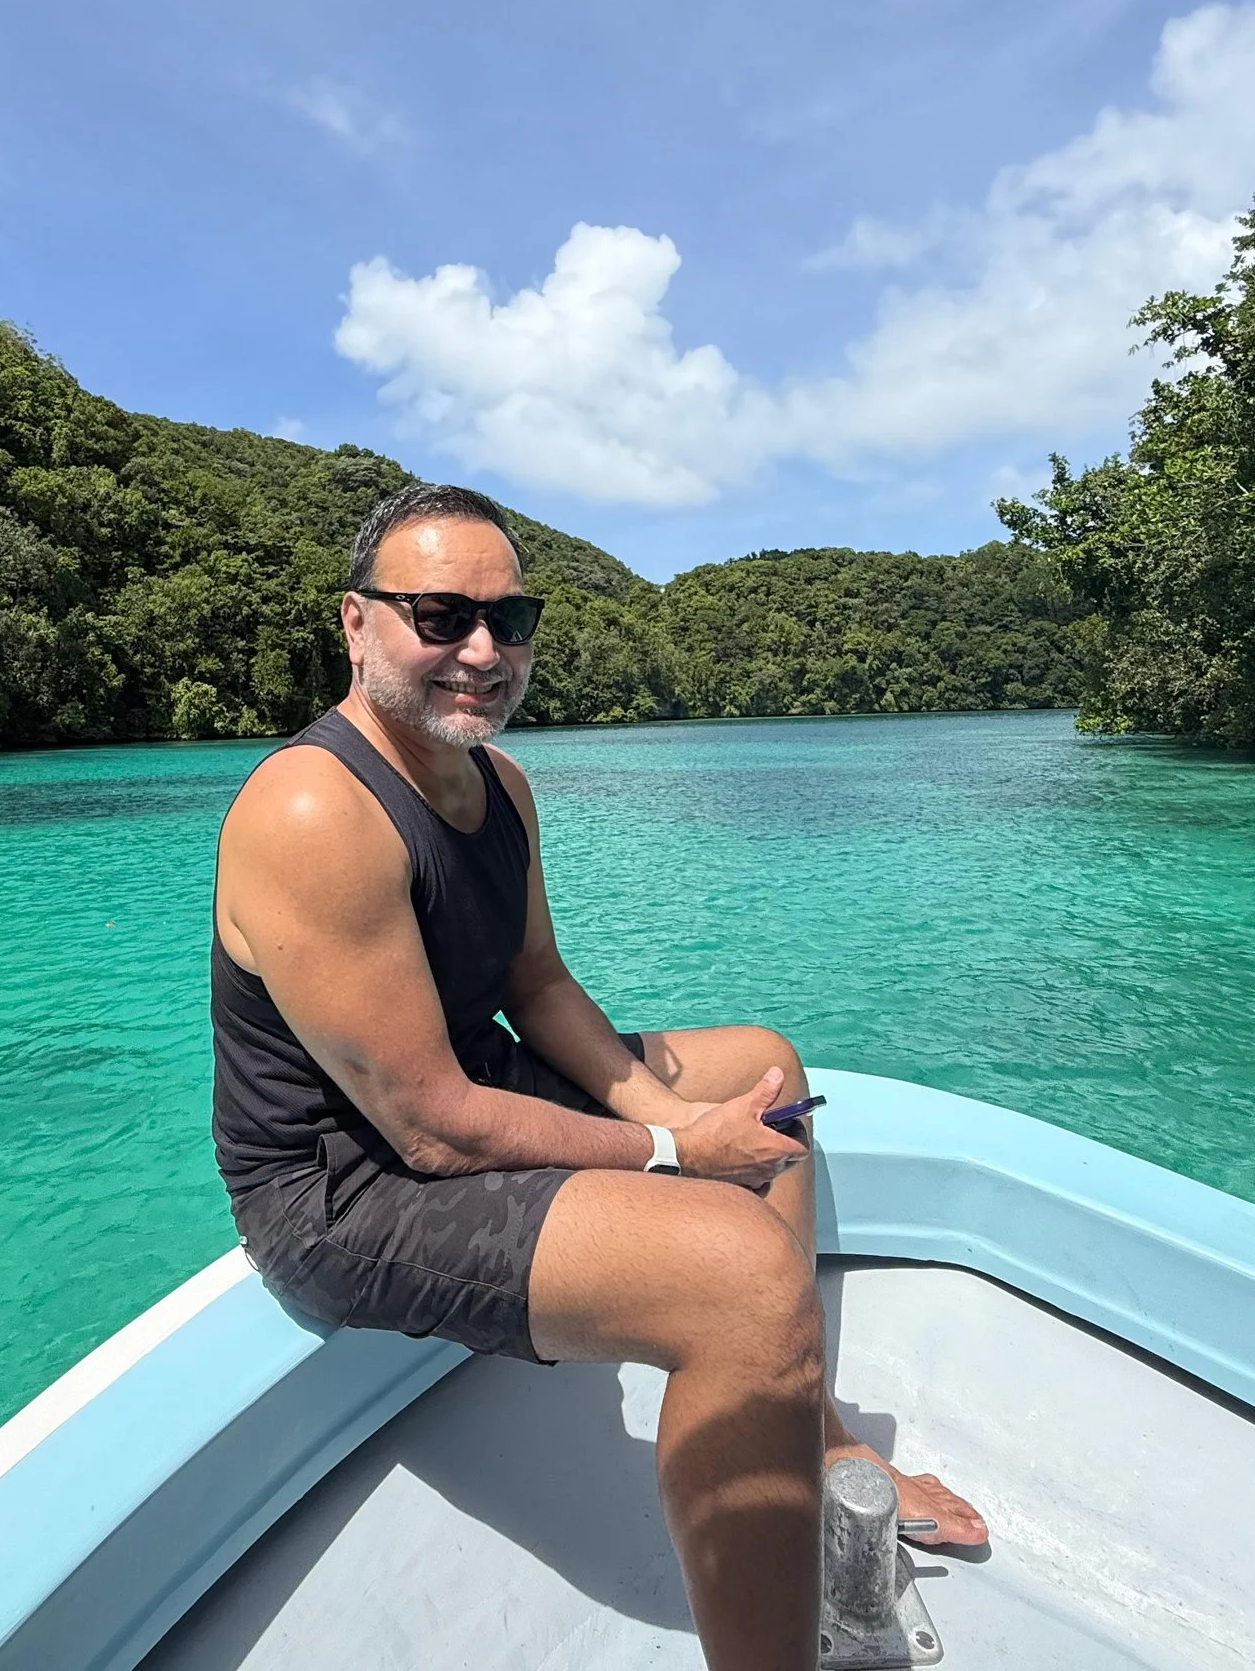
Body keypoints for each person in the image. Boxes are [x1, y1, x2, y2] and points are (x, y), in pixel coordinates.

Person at [211, 481, 988, 1671]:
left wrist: (673, 1110)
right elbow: (427, 1128)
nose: (481, 650)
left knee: (765, 1067)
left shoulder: (498, 785)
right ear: (355, 623)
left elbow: (539, 985)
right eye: (439, 616)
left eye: (508, 621)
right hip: (345, 1191)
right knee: (740, 1284)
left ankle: (815, 1434)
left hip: (469, 1088)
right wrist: (678, 1155)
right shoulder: (314, 807)